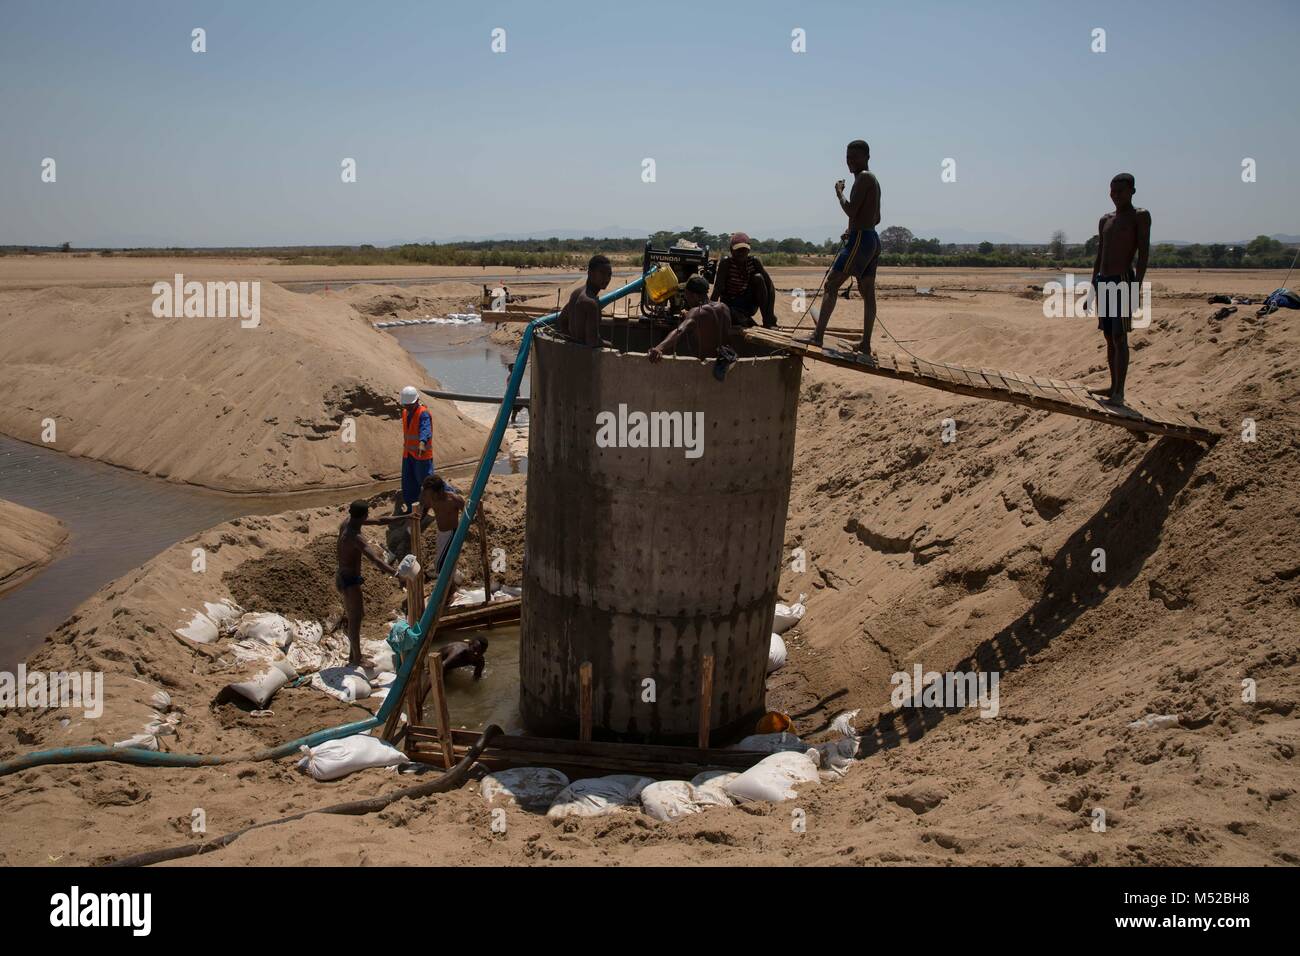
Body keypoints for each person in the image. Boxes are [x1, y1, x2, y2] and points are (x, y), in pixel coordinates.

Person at [797, 139, 882, 355]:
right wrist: (854, 228)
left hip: (861, 240)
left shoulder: (863, 178)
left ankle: (817, 336)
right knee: (868, 293)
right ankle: (865, 344)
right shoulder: (874, 181)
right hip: (871, 238)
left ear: (867, 157)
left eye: (854, 157)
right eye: (847, 157)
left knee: (832, 284)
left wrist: (839, 193)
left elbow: (852, 211)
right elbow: (877, 217)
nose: (850, 161)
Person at [1089, 173, 1151, 406]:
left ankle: (1119, 393)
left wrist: (1137, 286)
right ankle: (1112, 386)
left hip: (1123, 280)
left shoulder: (1140, 216)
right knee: (1108, 336)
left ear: (1132, 191)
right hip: (1104, 281)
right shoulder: (1105, 219)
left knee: (1119, 336)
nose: (1115, 196)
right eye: (1112, 191)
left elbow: (1143, 253)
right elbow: (1100, 254)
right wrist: (1093, 286)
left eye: (1121, 191)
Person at [336, 500, 399, 668]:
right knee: (355, 619)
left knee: (358, 616)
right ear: (364, 515)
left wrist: (406, 516)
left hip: (345, 578)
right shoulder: (355, 537)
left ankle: (353, 654)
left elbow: (379, 521)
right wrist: (397, 574)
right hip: (349, 582)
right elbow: (376, 560)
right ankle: (356, 658)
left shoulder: (348, 522)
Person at [648, 275, 736, 378]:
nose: (685, 298)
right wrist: (689, 316)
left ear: (694, 295)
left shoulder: (696, 313)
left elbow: (679, 331)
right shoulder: (724, 307)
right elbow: (709, 319)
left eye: (686, 294)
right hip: (727, 361)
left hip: (708, 368)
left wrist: (659, 348)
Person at [711, 232, 777, 328]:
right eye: (738, 250)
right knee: (732, 315)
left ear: (748, 250)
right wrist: (710, 312)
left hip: (747, 303)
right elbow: (718, 288)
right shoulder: (726, 263)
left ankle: (766, 321)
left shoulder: (754, 262)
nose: (741, 253)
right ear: (731, 250)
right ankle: (745, 320)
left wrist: (769, 316)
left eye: (744, 250)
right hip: (731, 303)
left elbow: (770, 288)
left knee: (758, 278)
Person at [558, 254, 612, 346]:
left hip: (574, 352)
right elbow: (592, 342)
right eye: (602, 273)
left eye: (609, 274)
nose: (607, 278)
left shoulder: (576, 293)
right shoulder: (591, 303)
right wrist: (609, 345)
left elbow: (561, 321)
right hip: (586, 357)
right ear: (590, 273)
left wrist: (572, 342)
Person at [398, 385, 434, 513]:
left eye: (410, 405)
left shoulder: (423, 413)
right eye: (406, 405)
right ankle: (411, 508)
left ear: (417, 401)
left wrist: (422, 442)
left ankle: (440, 500)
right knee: (408, 482)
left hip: (421, 455)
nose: (407, 407)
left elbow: (426, 428)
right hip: (408, 454)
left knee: (427, 482)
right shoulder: (405, 412)